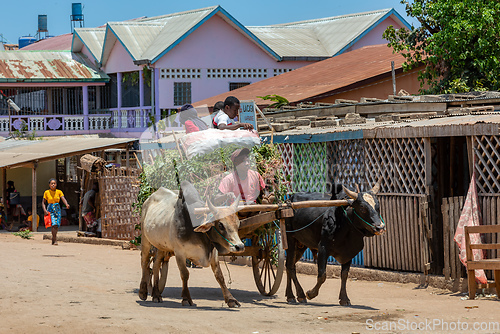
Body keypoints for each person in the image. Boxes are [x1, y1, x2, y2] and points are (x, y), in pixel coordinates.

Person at [42, 178, 70, 245]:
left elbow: (63, 198)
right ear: (49, 185)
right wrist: (45, 210)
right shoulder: (46, 192)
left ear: (56, 184)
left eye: (54, 183)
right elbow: (43, 202)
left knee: (57, 225)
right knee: (53, 224)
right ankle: (55, 240)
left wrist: (66, 204)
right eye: (52, 183)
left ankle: (53, 237)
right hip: (50, 209)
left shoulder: (59, 192)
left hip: (57, 209)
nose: (53, 185)